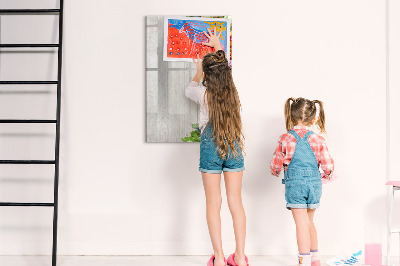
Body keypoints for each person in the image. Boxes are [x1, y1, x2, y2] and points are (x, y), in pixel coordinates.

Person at [185, 28, 248, 266]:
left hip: (211, 148)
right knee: (236, 202)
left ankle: (220, 258)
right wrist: (219, 46)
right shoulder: (233, 93)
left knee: (214, 203)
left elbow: (188, 90)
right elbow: (225, 71)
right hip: (233, 146)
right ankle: (240, 257)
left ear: (208, 77)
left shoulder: (203, 94)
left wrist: (198, 71)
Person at [270, 98, 335, 266]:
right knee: (309, 222)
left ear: (291, 117)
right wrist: (327, 176)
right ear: (313, 120)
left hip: (295, 186)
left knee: (301, 224)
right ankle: (315, 260)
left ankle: (304, 261)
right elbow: (328, 165)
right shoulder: (318, 139)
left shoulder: (285, 138)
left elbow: (275, 164)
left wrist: (275, 171)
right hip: (314, 185)